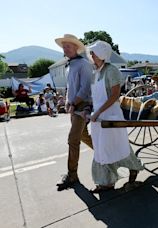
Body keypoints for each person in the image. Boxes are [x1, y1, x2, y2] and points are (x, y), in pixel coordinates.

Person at [86, 40, 144, 193]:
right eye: (91, 52)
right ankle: (106, 182)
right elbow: (93, 95)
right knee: (101, 149)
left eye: (93, 52)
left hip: (111, 114)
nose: (91, 55)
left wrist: (98, 112)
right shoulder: (94, 72)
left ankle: (134, 170)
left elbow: (115, 95)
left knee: (118, 145)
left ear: (101, 54)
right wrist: (90, 110)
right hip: (97, 117)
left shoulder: (111, 70)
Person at [55, 34, 93, 190]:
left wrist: (72, 102)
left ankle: (72, 175)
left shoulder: (83, 64)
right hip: (73, 105)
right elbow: (70, 87)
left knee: (73, 140)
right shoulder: (70, 65)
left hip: (82, 105)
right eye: (64, 47)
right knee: (83, 136)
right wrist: (65, 100)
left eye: (68, 46)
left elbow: (85, 88)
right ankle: (106, 153)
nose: (65, 49)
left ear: (76, 48)